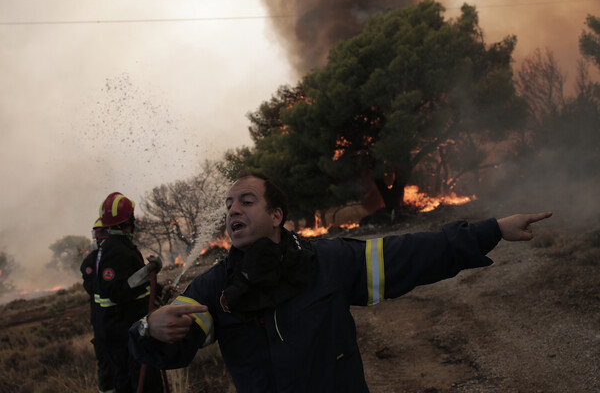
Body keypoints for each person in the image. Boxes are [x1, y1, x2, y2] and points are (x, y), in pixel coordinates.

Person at [128, 171, 552, 392]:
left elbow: (414, 253)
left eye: (246, 201)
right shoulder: (214, 289)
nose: (232, 210)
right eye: (228, 205)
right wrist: (150, 328)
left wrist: (491, 229)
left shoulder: (327, 261)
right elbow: (172, 348)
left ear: (276, 216)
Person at [94, 192, 165, 393]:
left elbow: (133, 281)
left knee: (129, 381)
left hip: (124, 328)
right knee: (142, 381)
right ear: (129, 219)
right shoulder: (115, 250)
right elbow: (118, 290)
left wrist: (159, 289)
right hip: (124, 330)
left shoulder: (118, 246)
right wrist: (148, 270)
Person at [81, 218, 115, 393]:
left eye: (103, 233)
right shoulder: (89, 262)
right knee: (106, 366)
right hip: (101, 324)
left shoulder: (118, 257)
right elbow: (92, 287)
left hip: (118, 323)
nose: (100, 238)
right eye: (97, 234)